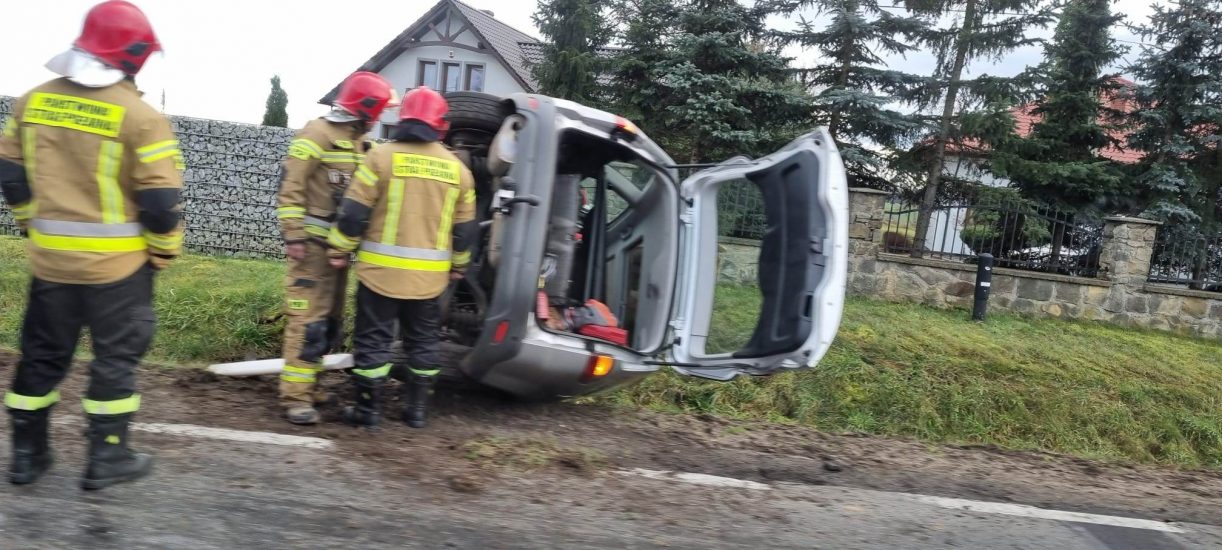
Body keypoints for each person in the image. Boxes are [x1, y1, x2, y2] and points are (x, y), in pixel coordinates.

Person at [0, 0, 184, 489]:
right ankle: (108, 457)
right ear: (135, 55)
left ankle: (26, 456)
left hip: (51, 264)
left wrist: (29, 224)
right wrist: (164, 251)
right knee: (114, 361)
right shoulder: (141, 118)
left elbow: (10, 174)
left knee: (41, 356)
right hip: (118, 271)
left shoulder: (32, 102)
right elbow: (160, 203)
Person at [325, 87, 477, 429]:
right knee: (423, 343)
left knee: (373, 341)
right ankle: (416, 412)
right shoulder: (459, 171)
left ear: (402, 119)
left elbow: (352, 215)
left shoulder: (379, 158)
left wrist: (338, 250)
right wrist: (459, 265)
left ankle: (368, 412)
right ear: (441, 125)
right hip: (429, 282)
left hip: (379, 277)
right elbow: (465, 232)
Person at [275, 71, 395, 425]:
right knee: (306, 323)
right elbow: (290, 186)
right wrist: (293, 235)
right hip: (311, 250)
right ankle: (295, 397)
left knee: (329, 324)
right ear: (366, 108)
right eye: (379, 111)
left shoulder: (359, 143)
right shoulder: (316, 133)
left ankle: (311, 386)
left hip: (336, 251)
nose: (380, 118)